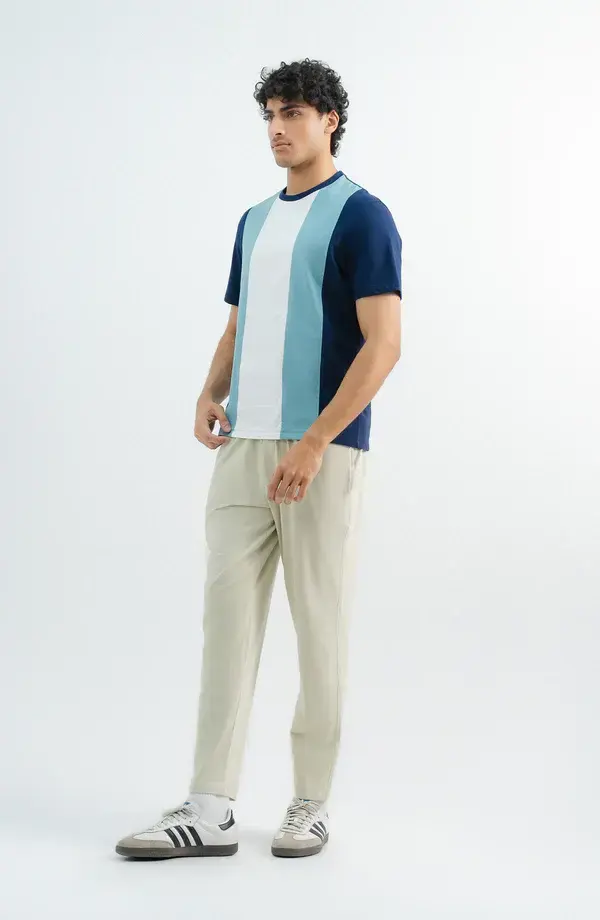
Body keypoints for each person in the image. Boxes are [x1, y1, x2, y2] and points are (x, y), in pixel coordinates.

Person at [116, 57, 402, 861]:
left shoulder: (362, 216)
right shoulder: (252, 221)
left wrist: (314, 442)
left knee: (319, 626)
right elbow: (239, 325)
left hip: (323, 452)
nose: (278, 129)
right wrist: (209, 390)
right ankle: (210, 806)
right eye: (270, 114)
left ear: (330, 120)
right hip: (244, 449)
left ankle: (310, 802)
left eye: (294, 113)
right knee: (227, 623)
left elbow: (384, 344)